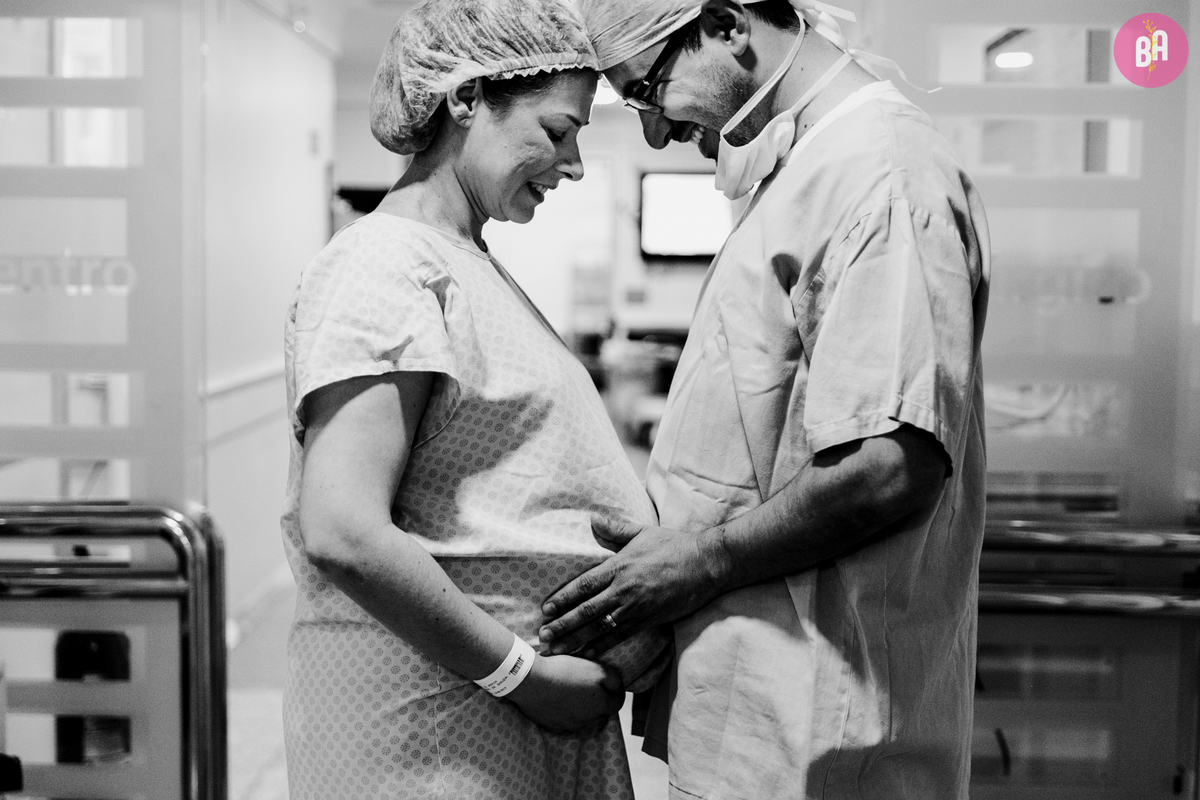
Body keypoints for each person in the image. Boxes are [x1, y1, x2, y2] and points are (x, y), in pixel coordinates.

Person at [539, 1, 991, 797]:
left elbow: (891, 465)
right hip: (763, 707)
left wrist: (704, 557)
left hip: (827, 725)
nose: (655, 134)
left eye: (649, 92)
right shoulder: (808, 172)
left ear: (726, 25)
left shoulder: (881, 172)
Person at [279, 1, 668, 797]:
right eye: (558, 131)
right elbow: (343, 529)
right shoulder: (384, 266)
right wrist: (522, 675)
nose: (573, 164)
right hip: (435, 730)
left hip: (501, 721)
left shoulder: (462, 260)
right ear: (466, 99)